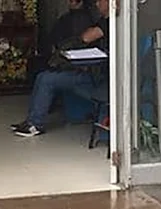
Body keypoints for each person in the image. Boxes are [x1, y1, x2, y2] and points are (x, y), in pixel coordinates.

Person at [11, 0, 115, 137]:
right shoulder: (102, 20)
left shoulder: (110, 23)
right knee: (42, 75)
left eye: (100, 1)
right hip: (91, 71)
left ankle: (35, 124)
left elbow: (86, 37)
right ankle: (31, 120)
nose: (97, 4)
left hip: (97, 77)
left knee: (47, 79)